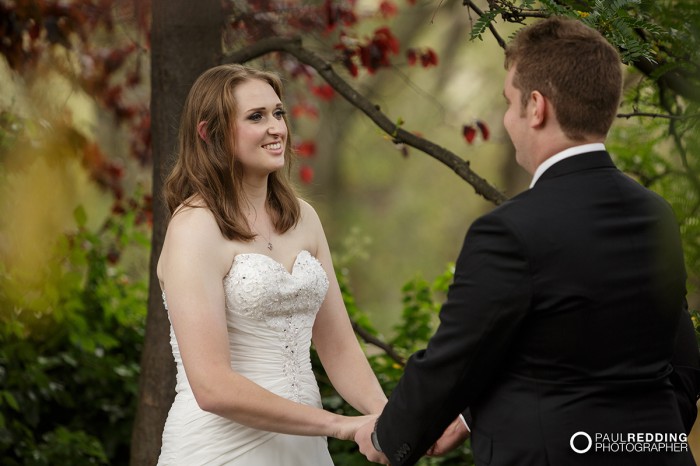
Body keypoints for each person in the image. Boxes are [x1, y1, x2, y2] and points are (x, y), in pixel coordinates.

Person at [355, 16, 700, 466]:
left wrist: (389, 438)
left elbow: (454, 363)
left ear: (536, 108)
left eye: (508, 102)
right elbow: (682, 360)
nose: (506, 118)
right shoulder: (655, 214)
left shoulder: (508, 231)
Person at [156, 63, 387, 465]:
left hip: (304, 448)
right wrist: (339, 425)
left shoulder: (304, 218)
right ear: (209, 133)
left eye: (278, 113)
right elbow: (212, 387)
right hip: (220, 449)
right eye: (256, 117)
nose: (276, 128)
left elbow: (339, 348)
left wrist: (388, 419)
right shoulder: (194, 227)